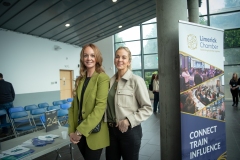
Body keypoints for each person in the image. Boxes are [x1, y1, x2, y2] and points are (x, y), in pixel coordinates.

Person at [105, 46, 152, 160]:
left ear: (129, 62)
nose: (120, 59)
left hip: (130, 132)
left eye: (124, 57)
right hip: (111, 132)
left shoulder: (136, 80)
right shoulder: (109, 81)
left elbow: (147, 108)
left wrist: (128, 121)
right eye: (117, 57)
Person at [68, 44, 110, 160]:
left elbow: (100, 108)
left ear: (97, 58)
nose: (89, 58)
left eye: (92, 55)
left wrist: (79, 131)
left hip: (94, 132)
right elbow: (73, 108)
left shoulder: (102, 78)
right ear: (82, 58)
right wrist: (71, 131)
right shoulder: (80, 80)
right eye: (86, 55)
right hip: (78, 132)